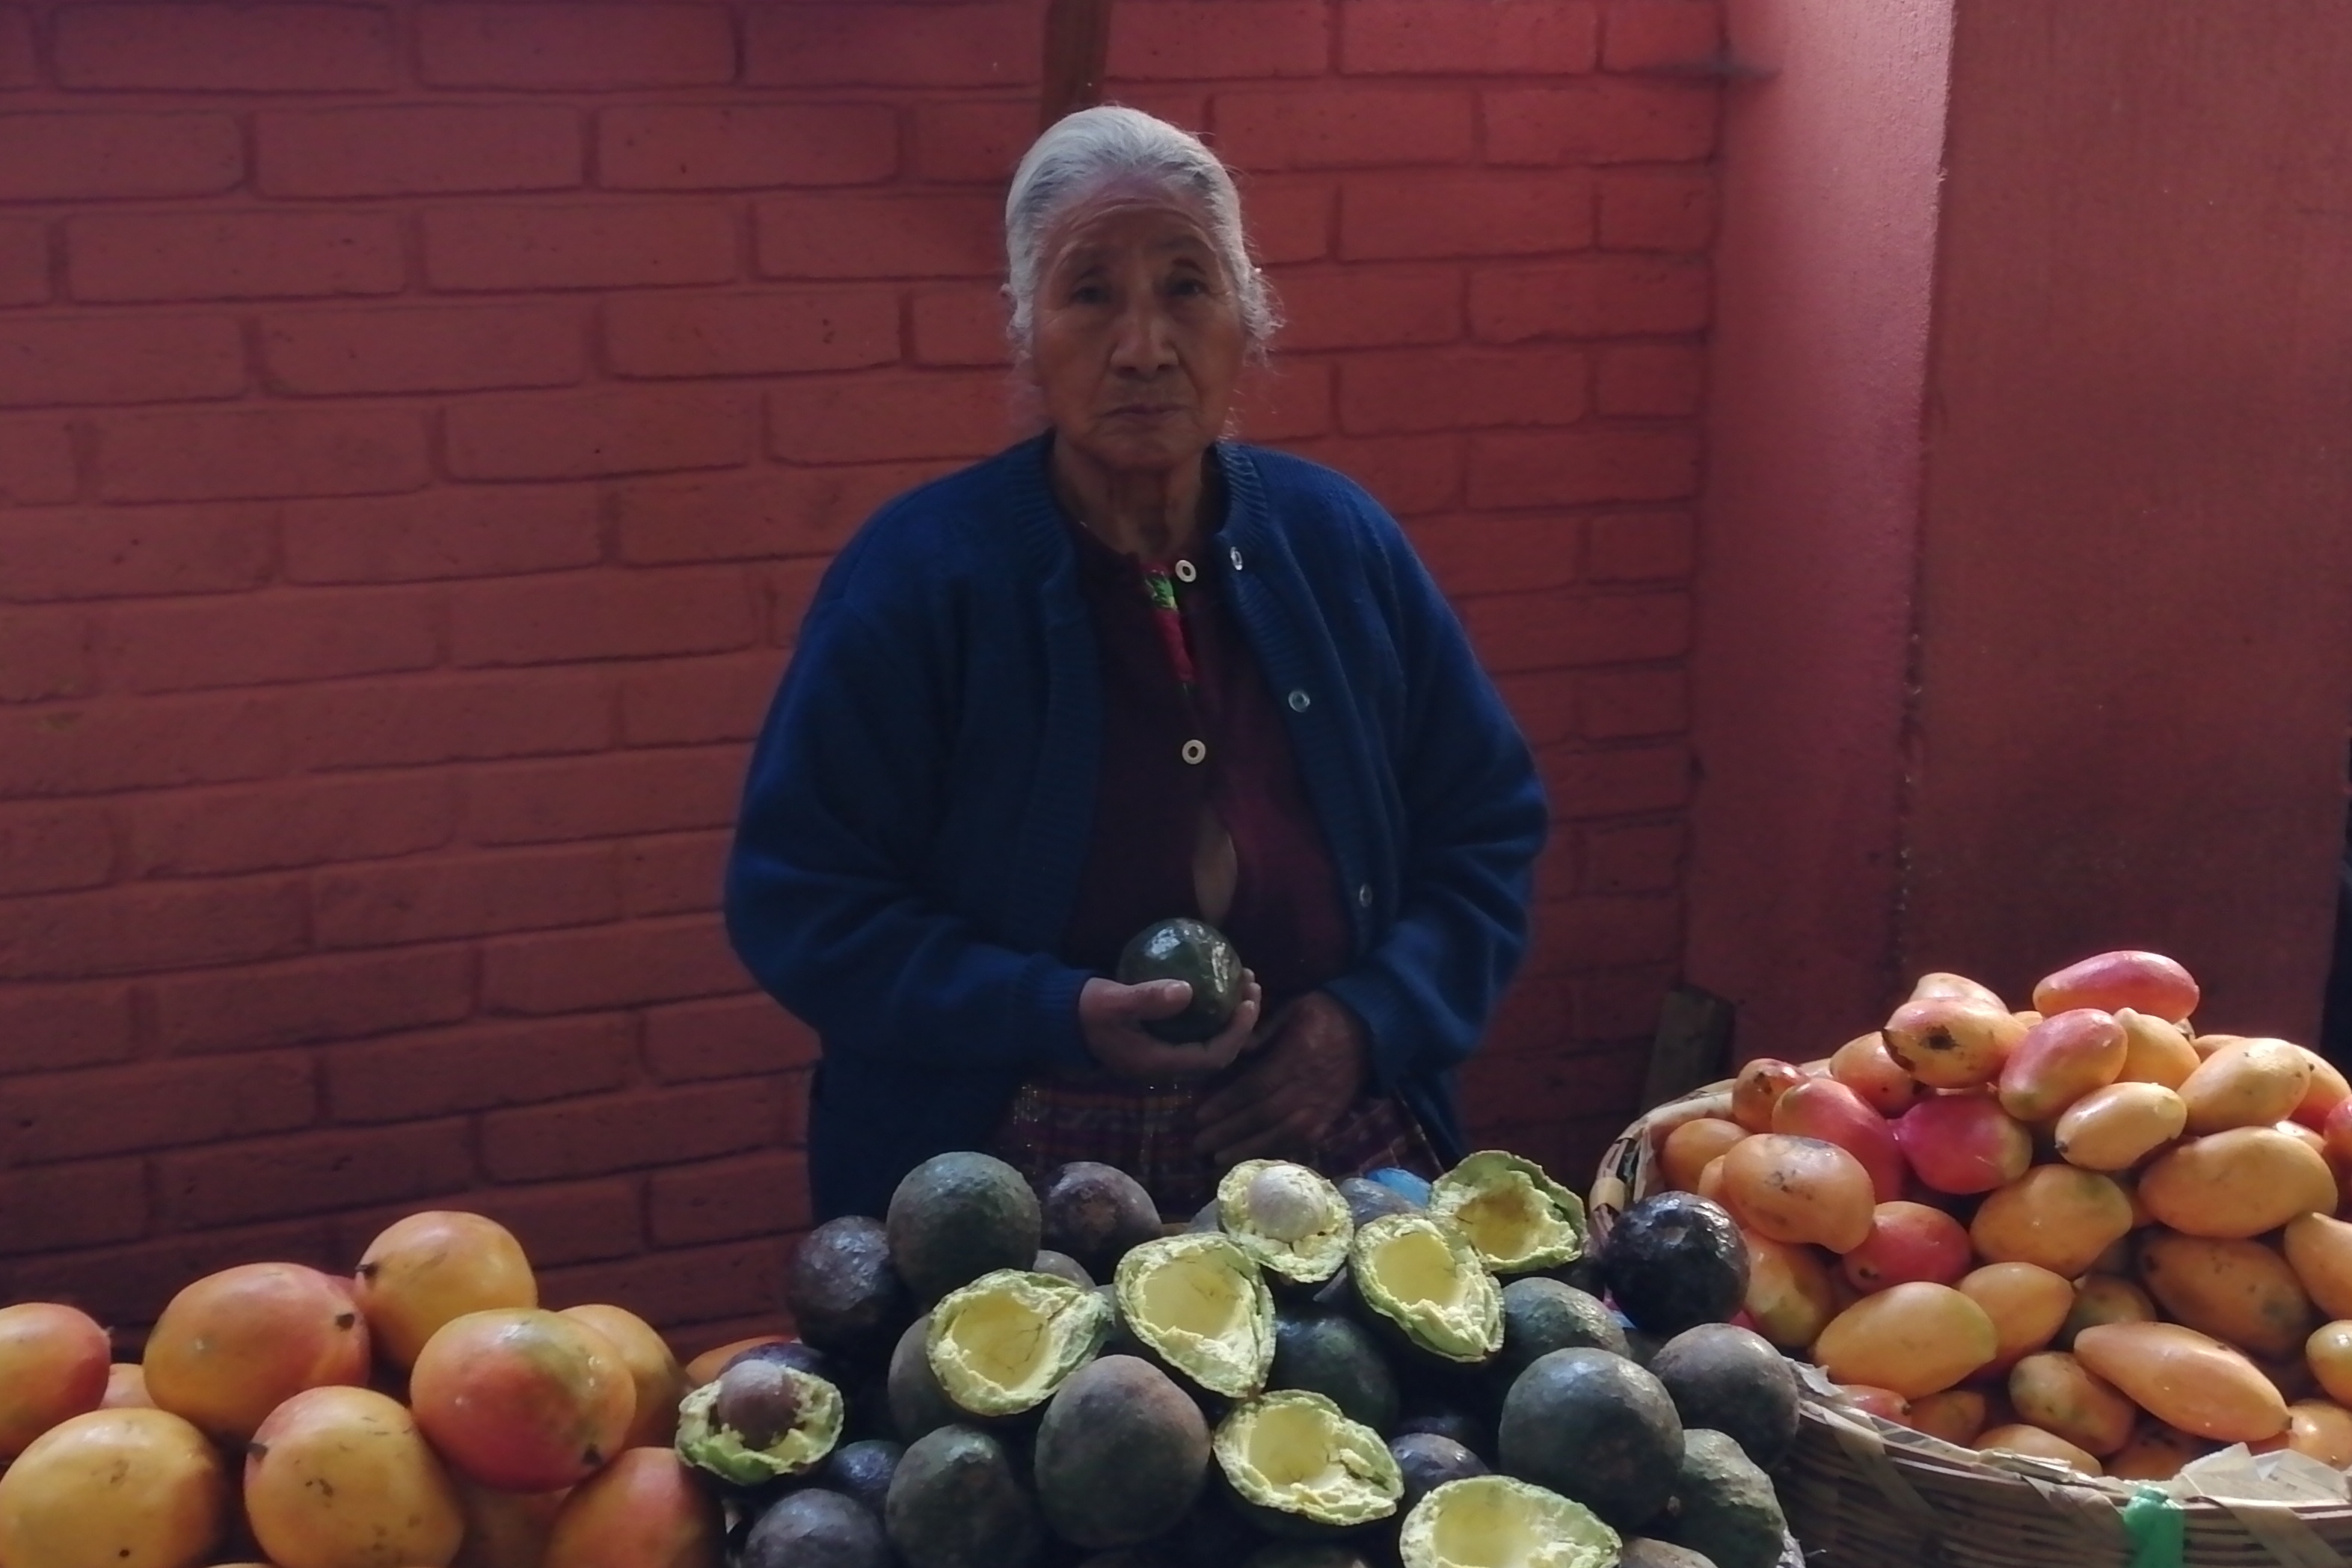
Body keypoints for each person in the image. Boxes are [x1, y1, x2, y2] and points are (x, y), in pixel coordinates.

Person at [725, 105, 1547, 1223]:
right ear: (1027, 329)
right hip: (1004, 1168)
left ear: (1248, 316)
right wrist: (1052, 1008)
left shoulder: (1335, 540)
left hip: (1326, 1134)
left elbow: (1484, 825)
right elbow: (801, 900)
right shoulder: (920, 575)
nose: (1144, 346)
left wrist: (1365, 1022)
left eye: (1187, 286)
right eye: (1090, 292)